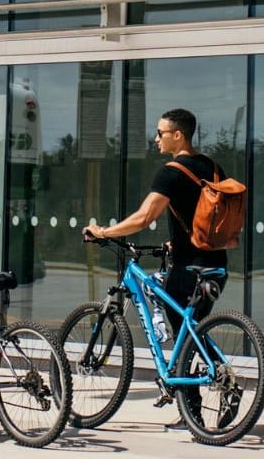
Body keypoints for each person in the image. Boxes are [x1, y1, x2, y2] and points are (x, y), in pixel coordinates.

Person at [83, 108, 229, 428]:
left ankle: (193, 410)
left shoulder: (171, 171)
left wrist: (104, 232)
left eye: (161, 133)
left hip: (189, 269)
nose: (156, 138)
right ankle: (222, 382)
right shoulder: (212, 167)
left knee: (185, 336)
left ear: (178, 135)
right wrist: (175, 243)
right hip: (216, 266)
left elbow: (144, 217)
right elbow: (201, 217)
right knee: (192, 331)